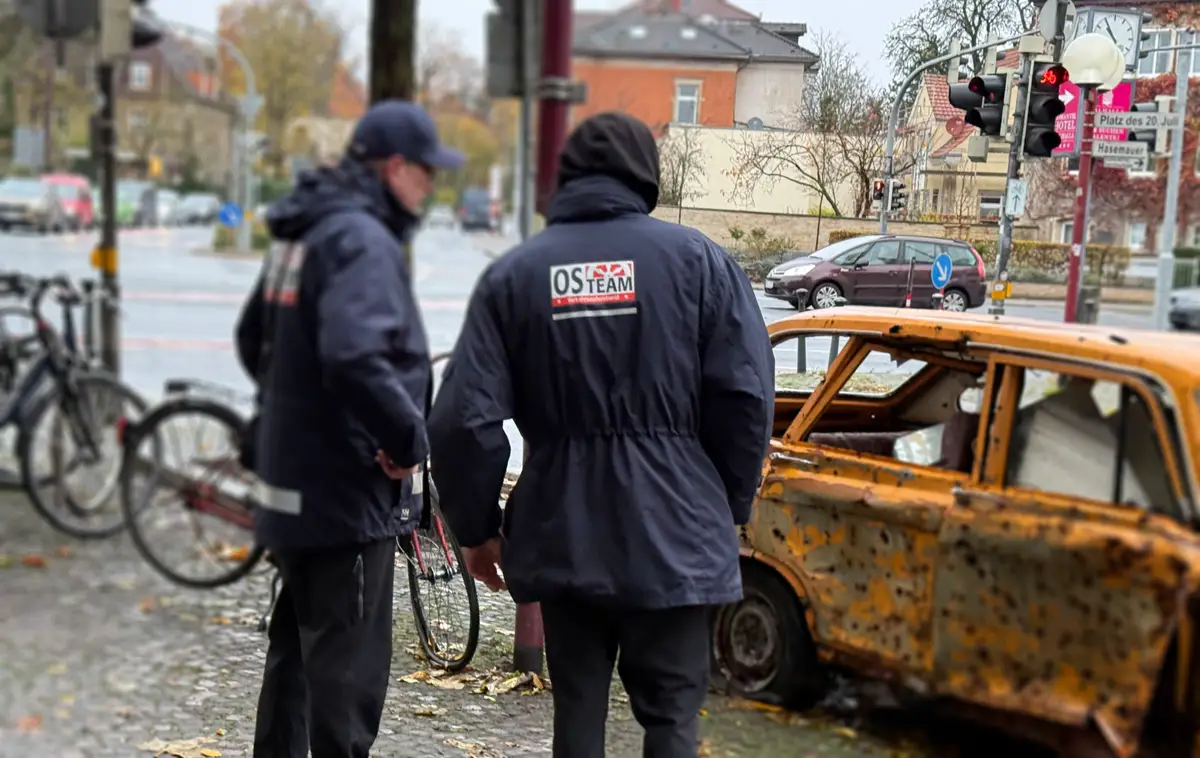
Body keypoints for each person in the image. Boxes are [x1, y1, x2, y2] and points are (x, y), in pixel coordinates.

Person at [427, 111, 773, 758]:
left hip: (564, 529)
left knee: (578, 710)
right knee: (672, 717)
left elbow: (459, 419)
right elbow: (746, 394)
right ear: (646, 173)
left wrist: (476, 529)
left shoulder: (516, 274)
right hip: (677, 528)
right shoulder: (699, 261)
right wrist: (724, 504)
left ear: (567, 179)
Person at [233, 100, 463, 758]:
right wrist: (403, 440)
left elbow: (256, 340)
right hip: (345, 498)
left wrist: (295, 415)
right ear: (395, 167)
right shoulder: (360, 238)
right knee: (346, 683)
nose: (430, 188)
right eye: (426, 173)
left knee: (295, 661)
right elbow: (355, 355)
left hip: (291, 488)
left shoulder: (302, 231)